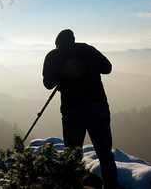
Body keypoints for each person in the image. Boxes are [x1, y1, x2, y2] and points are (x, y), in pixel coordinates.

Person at [42, 29, 119, 189]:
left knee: (73, 156)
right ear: (73, 39)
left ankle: (74, 186)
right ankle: (111, 186)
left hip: (73, 108)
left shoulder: (53, 56)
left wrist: (62, 74)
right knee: (105, 153)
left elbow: (48, 84)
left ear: (57, 44)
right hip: (98, 104)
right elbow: (107, 68)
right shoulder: (87, 49)